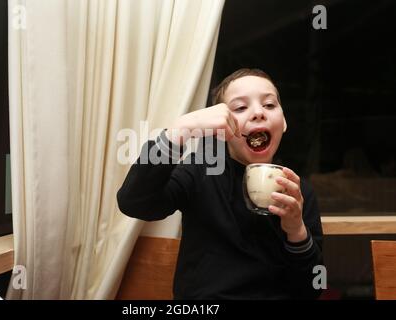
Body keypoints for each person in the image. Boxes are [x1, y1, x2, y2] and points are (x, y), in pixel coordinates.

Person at [117, 68, 324, 299]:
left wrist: (296, 230)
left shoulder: (298, 192)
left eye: (269, 105)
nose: (258, 113)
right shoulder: (200, 172)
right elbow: (133, 203)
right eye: (240, 107)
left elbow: (313, 288)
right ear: (222, 130)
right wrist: (179, 131)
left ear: (283, 122)